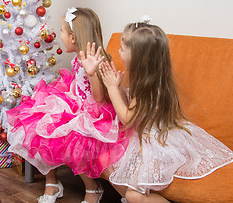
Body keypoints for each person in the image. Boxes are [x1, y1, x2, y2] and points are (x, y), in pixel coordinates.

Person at [99, 22, 233, 203]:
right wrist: (119, 90)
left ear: (138, 58)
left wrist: (112, 88)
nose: (119, 52)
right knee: (104, 164)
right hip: (141, 136)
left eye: (123, 49)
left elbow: (127, 118)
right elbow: (132, 110)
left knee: (133, 195)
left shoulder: (149, 87)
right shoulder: (148, 78)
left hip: (156, 144)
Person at [6, 7, 130, 203]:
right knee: (42, 121)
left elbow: (98, 99)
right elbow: (78, 87)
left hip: (95, 114)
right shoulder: (78, 59)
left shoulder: (94, 61)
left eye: (62, 31)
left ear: (73, 37)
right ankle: (52, 182)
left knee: (71, 136)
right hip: (75, 103)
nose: (60, 35)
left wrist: (91, 73)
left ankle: (93, 188)